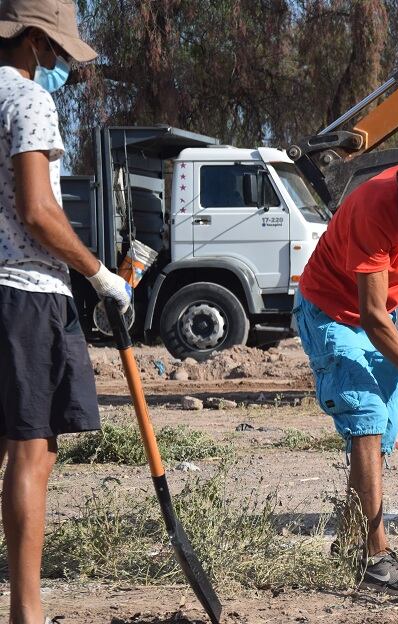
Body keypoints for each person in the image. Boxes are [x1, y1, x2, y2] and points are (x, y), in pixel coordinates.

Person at [0, 1, 132, 621]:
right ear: (32, 40)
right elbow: (37, 209)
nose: (57, 63)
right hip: (26, 291)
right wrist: (98, 271)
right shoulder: (27, 99)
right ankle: (28, 614)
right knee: (32, 452)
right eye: (53, 50)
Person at [293, 134, 398, 594]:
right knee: (367, 417)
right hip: (332, 314)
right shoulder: (374, 208)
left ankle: (349, 543)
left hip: (374, 318)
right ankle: (375, 558)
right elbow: (369, 317)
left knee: (382, 436)